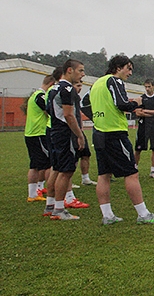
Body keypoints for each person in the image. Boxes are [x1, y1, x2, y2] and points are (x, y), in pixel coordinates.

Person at [90, 55, 154, 225]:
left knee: (104, 174)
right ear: (118, 67)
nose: (130, 73)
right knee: (131, 173)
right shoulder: (114, 81)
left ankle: (107, 216)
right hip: (114, 133)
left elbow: (88, 105)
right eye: (128, 68)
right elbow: (121, 104)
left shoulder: (96, 84)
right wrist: (136, 103)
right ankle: (143, 214)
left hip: (99, 132)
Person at [43, 59, 87, 220]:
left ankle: (50, 205)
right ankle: (59, 210)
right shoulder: (67, 89)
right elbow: (69, 115)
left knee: (56, 168)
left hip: (54, 131)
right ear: (70, 70)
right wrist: (79, 135)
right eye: (80, 71)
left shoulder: (53, 88)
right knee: (66, 171)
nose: (82, 74)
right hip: (65, 133)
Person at [25, 75, 55, 202]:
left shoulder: (34, 95)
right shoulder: (40, 96)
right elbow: (49, 110)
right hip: (38, 133)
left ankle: (33, 193)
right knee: (49, 163)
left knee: (35, 165)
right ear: (51, 84)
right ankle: (51, 192)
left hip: (31, 133)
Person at [134, 79, 154, 178]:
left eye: (149, 87)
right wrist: (153, 112)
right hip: (143, 126)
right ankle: (134, 170)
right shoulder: (141, 98)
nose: (147, 89)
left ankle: (153, 171)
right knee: (138, 149)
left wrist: (146, 111)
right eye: (146, 87)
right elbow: (138, 113)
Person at [72, 82, 96, 189]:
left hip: (79, 131)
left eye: (81, 86)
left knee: (86, 154)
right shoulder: (67, 98)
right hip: (70, 132)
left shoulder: (77, 98)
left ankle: (85, 178)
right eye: (77, 86)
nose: (80, 88)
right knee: (72, 156)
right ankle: (68, 180)